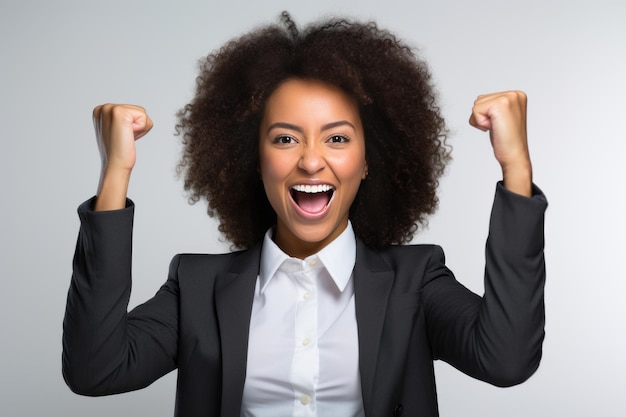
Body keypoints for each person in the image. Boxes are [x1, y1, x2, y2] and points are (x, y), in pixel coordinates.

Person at [62, 12, 547, 417]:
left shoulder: (414, 281)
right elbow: (95, 369)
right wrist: (115, 174)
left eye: (337, 138)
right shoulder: (197, 285)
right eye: (285, 138)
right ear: (253, 159)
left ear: (367, 158)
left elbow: (505, 360)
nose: (311, 161)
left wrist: (516, 168)